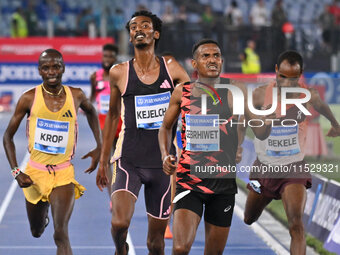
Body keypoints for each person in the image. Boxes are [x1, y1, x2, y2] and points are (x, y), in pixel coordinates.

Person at [159, 38, 273, 255]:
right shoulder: (182, 92)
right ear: (194, 64)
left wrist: (268, 121)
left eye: (216, 56)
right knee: (181, 248)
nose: (212, 60)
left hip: (223, 185)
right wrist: (166, 154)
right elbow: (165, 127)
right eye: (206, 56)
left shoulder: (236, 90)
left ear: (222, 61)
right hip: (189, 181)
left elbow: (259, 130)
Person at [96, 10, 190, 255]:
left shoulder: (171, 68)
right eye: (133, 27)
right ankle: (121, 249)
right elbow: (113, 117)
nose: (138, 29)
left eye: (145, 26)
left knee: (156, 243)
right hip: (129, 158)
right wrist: (103, 159)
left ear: (155, 33)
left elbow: (193, 103)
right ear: (130, 37)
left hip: (163, 163)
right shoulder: (119, 72)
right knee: (119, 223)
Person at [238, 50, 340, 255]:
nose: (286, 83)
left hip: (294, 168)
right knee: (249, 218)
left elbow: (322, 106)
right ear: (276, 70)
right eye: (282, 77)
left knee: (296, 224)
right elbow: (242, 122)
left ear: (301, 73)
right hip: (264, 169)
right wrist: (238, 146)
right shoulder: (259, 93)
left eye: (292, 79)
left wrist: (335, 124)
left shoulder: (308, 94)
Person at [3, 49, 102, 255]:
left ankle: (56, 220)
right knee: (36, 231)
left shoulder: (76, 95)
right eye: (46, 67)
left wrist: (100, 146)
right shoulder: (28, 98)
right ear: (39, 71)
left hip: (63, 174)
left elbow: (92, 111)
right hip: (34, 174)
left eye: (56, 66)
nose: (52, 71)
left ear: (63, 68)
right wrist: (16, 172)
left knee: (60, 233)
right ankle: (44, 216)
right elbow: (7, 137)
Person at [90, 43, 120, 208]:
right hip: (104, 122)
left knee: (120, 159)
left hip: (120, 121)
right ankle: (112, 198)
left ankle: (122, 190)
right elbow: (92, 97)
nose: (107, 59)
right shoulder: (95, 76)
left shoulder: (119, 76)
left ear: (115, 58)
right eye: (105, 56)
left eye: (110, 57)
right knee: (107, 159)